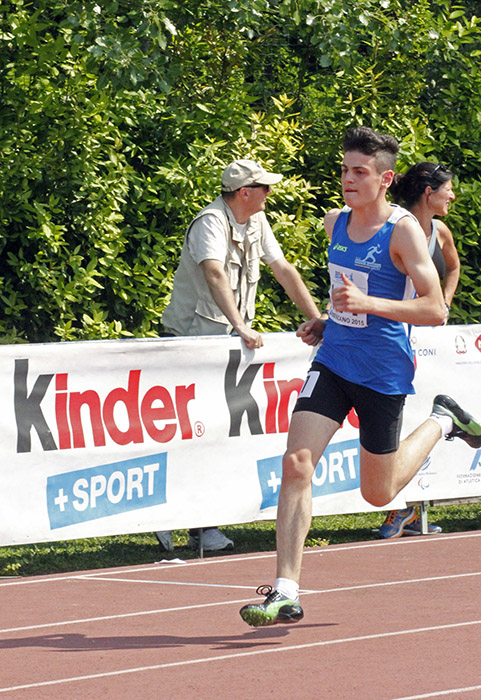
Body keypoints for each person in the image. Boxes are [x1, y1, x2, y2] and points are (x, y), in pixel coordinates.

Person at [239, 126, 481, 627]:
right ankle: (285, 590)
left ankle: (442, 419)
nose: (348, 180)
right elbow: (345, 296)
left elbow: (435, 309)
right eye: (345, 170)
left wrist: (369, 304)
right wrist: (328, 321)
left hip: (383, 371)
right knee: (296, 463)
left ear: (385, 179)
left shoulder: (403, 231)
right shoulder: (335, 223)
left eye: (360, 172)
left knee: (378, 494)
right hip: (334, 361)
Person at [157, 158, 322, 552]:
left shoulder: (257, 220)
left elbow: (283, 269)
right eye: (264, 187)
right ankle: (169, 517)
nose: (270, 193)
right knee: (187, 435)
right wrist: (241, 326)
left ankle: (202, 524)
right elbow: (214, 273)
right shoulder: (210, 222)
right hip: (191, 343)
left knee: (216, 434)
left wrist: (318, 319)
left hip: (227, 346)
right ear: (245, 192)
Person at [379, 161, 461, 538]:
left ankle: (407, 508)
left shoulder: (439, 231)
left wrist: (443, 303)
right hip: (388, 335)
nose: (453, 196)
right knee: (389, 425)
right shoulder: (395, 225)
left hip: (422, 337)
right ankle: (400, 506)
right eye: (448, 189)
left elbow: (453, 268)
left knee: (408, 422)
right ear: (429, 193)